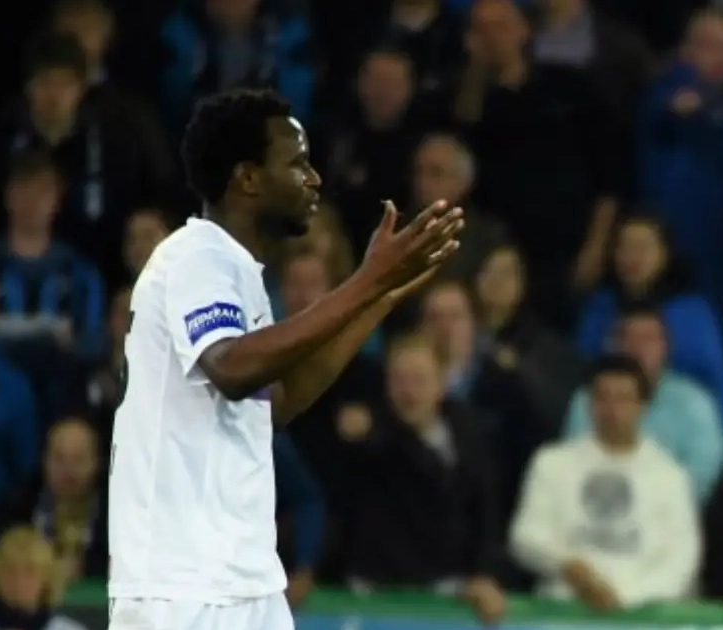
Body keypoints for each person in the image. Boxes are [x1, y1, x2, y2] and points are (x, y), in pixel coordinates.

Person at [106, 89, 464, 630]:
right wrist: (365, 280)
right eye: (297, 163)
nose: (314, 179)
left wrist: (379, 298)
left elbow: (275, 403)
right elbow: (231, 369)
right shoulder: (195, 257)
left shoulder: (240, 274)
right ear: (248, 178)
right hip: (181, 586)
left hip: (245, 581)